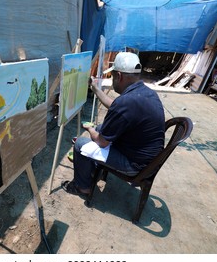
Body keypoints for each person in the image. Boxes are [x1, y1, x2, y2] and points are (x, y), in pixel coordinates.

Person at [62, 51, 165, 197]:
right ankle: (91, 170)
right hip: (146, 157)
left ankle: (83, 187)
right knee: (100, 129)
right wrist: (95, 89)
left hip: (135, 165)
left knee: (80, 144)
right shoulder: (144, 92)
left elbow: (102, 142)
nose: (112, 80)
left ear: (119, 76)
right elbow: (115, 106)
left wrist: (90, 129)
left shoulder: (127, 102)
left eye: (112, 77)